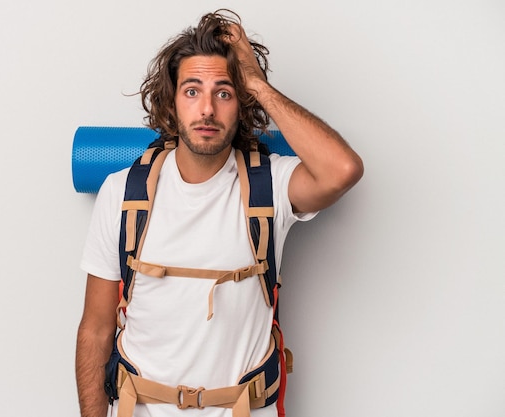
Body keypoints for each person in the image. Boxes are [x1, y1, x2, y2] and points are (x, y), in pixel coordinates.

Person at [76, 9, 363, 417]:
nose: (207, 108)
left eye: (224, 92)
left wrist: (257, 84)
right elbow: (96, 329)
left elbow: (343, 170)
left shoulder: (271, 186)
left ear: (242, 103)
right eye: (192, 91)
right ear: (171, 102)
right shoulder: (122, 192)